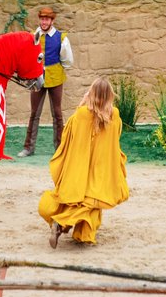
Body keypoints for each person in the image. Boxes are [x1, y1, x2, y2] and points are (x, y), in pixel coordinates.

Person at [38, 77, 129, 248]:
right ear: (110, 95)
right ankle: (67, 225)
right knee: (92, 203)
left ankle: (66, 228)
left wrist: (83, 102)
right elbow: (115, 139)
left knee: (81, 202)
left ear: (91, 93)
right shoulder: (114, 115)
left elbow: (68, 136)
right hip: (101, 169)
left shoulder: (81, 115)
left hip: (80, 169)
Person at [18, 6, 73, 157]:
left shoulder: (61, 37)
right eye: (42, 19)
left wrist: (55, 68)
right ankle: (28, 147)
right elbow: (27, 56)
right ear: (39, 20)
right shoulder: (32, 36)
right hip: (37, 77)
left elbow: (67, 60)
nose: (44, 22)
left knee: (57, 113)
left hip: (55, 78)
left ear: (52, 21)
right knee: (34, 113)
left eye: (47, 19)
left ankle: (60, 148)